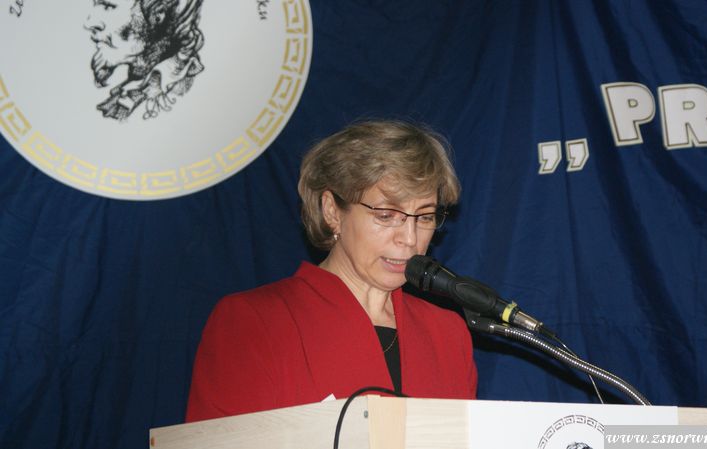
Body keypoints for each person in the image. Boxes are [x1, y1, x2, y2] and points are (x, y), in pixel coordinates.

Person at [185, 120, 477, 422]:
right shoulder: (254, 322)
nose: (410, 238)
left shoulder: (447, 334)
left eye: (425, 217)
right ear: (332, 211)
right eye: (386, 215)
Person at [84, 0, 205, 120]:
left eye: (108, 6)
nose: (89, 24)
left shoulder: (178, 92)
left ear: (158, 15)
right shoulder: (129, 85)